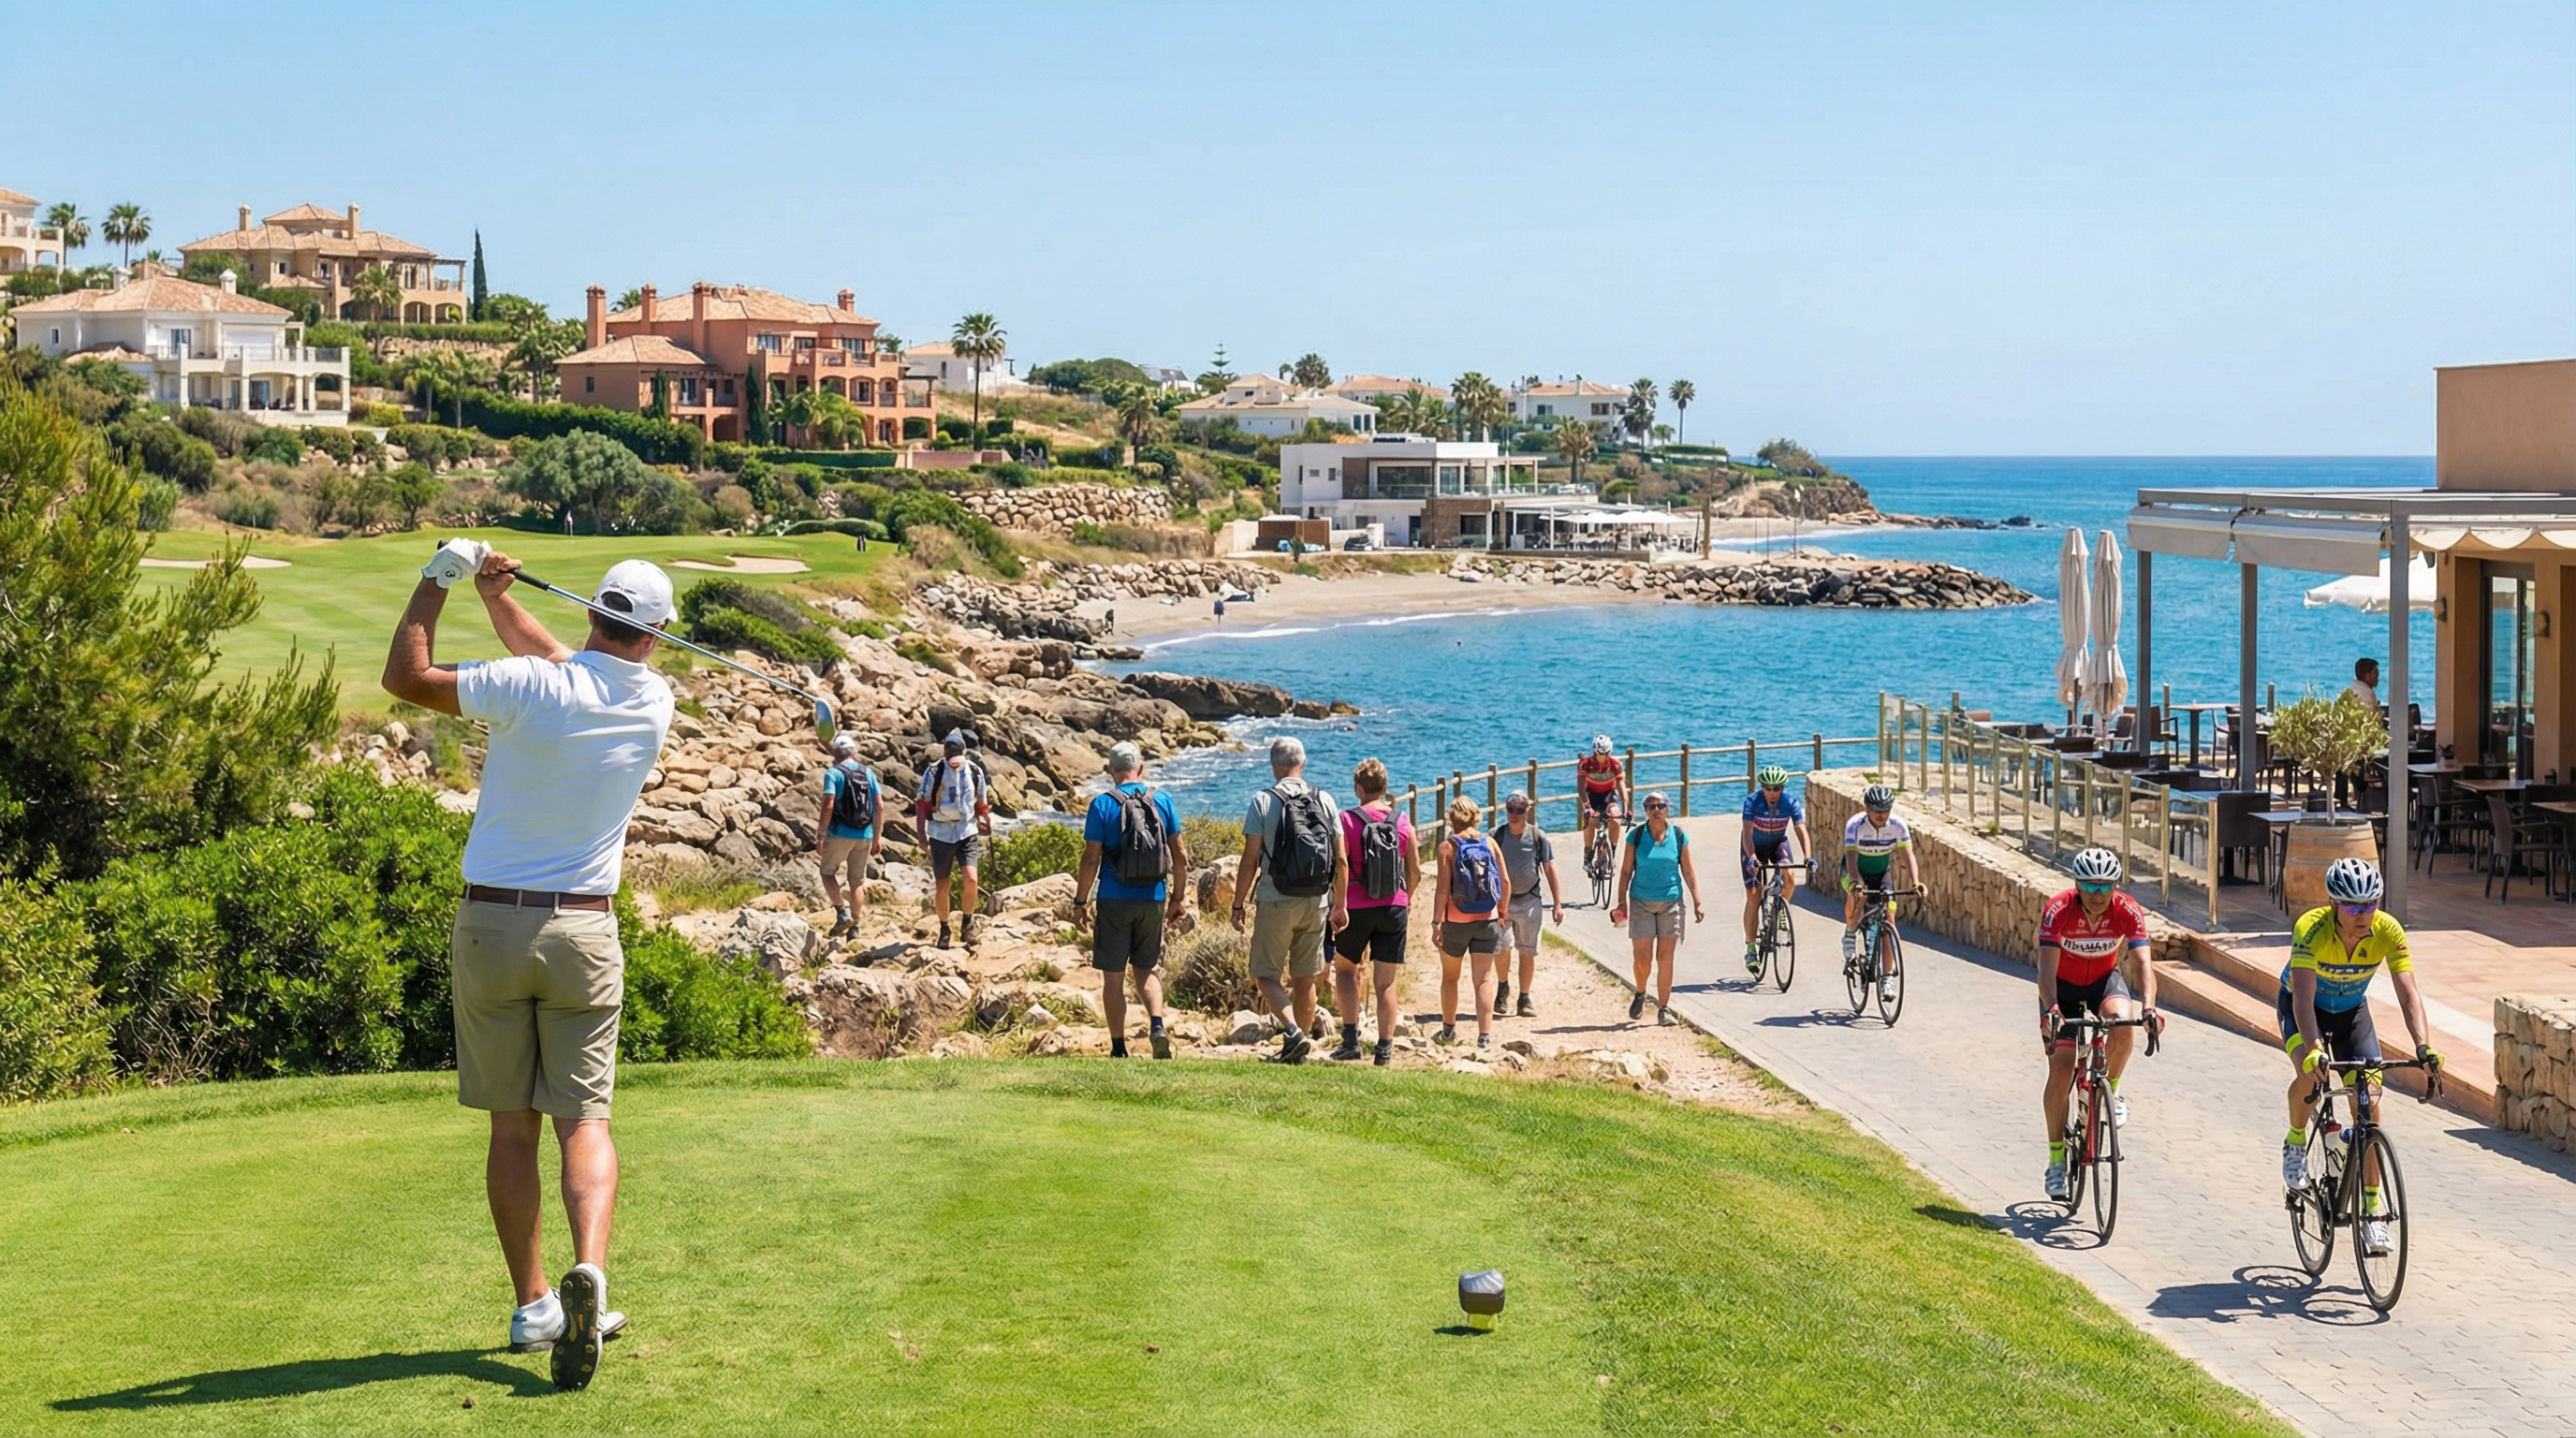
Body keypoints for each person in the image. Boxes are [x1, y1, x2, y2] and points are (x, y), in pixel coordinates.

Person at [382, 541, 666, 1391]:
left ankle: (535, 1302)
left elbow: (408, 677)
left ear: (592, 613)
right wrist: (498, 599)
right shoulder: (654, 699)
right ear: (654, 636)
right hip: (585, 935)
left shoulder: (531, 688)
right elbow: (566, 665)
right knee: (586, 1122)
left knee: (513, 1127)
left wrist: (442, 580)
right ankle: (593, 1275)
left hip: (492, 927)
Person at [2277, 858, 2440, 1256]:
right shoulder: (2310, 929)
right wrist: (2314, 1048)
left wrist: (2423, 1047)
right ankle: (2296, 1143)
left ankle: (2372, 1214)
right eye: (2353, 907)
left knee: (2369, 1107)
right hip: (2305, 1009)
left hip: (2352, 1014)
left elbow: (2408, 993)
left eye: (2371, 904)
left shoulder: (2388, 931)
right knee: (2311, 1074)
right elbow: (2300, 996)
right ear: (2334, 905)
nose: (2363, 914)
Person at [2035, 846, 2161, 1201]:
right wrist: (2052, 1009)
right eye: (2089, 886)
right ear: (2077, 885)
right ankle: (2057, 1160)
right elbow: (2045, 969)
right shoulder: (2058, 909)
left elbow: (2142, 964)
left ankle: (2113, 1089)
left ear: (2115, 887)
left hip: (2103, 981)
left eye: (2105, 887)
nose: (2097, 894)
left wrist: (2150, 1008)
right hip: (2061, 988)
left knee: (2124, 1023)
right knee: (2061, 1069)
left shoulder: (2127, 910)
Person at [1230, 736, 1343, 1064]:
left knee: (1266, 974)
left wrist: (1238, 905)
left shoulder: (1263, 801)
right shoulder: (1325, 799)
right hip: (1317, 900)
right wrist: (1341, 905)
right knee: (1305, 978)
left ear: (1274, 766)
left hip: (1276, 897)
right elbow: (1341, 859)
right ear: (1303, 764)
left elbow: (1249, 860)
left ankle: (1293, 1032)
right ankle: (1300, 1050)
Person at [1073, 742, 1189, 1060]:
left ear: (1111, 771)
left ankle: (1118, 1047)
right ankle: (1157, 1026)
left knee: (1113, 977)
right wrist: (1177, 899)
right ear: (1141, 768)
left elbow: (1090, 859)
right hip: (1153, 897)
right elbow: (1180, 855)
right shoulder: (1161, 799)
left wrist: (1080, 902)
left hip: (1114, 898)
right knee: (1147, 969)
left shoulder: (1102, 804)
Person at [1330, 758, 1419, 1065]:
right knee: (1386, 982)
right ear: (1385, 788)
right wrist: (1404, 900)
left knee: (1345, 971)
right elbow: (1415, 871)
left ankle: (1351, 1041)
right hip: (1393, 906)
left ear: (1358, 789)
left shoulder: (1346, 819)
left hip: (1355, 907)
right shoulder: (1402, 821)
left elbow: (1341, 865)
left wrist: (1339, 905)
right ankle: (1384, 1050)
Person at [1609, 791, 1702, 1026]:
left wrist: (1697, 901)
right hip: (1641, 901)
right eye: (1650, 806)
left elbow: (1688, 872)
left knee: (1665, 957)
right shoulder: (1636, 836)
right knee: (1642, 959)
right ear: (1645, 811)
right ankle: (1640, 992)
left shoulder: (1679, 836)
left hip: (1671, 902)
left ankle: (1664, 1008)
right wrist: (1621, 901)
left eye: (1660, 805)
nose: (1656, 810)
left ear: (1667, 808)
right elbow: (1625, 872)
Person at [1431, 798, 1507, 1050]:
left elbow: (1443, 890)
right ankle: (1484, 1037)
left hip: (1456, 922)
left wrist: (1436, 922)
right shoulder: (1490, 843)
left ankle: (1448, 1031)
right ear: (1476, 817)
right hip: (1488, 920)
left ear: (1452, 819)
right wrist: (1502, 912)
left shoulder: (1447, 847)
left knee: (1450, 979)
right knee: (1483, 980)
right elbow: (1505, 883)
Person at [1839, 784, 1919, 1001]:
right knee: (1858, 895)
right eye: (1877, 810)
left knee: (1889, 919)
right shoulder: (1855, 825)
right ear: (1867, 808)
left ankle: (1887, 978)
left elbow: (1908, 855)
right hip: (1854, 869)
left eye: (1886, 810)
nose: (1882, 815)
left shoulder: (1898, 826)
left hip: (1881, 873)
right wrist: (1856, 882)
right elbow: (1852, 860)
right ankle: (1849, 933)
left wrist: (1916, 882)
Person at [915, 728, 991, 948]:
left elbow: (981, 801)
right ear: (946, 755)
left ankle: (967, 924)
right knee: (943, 884)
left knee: (971, 879)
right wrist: (921, 836)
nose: (955, 764)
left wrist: (985, 819)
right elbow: (921, 803)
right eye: (952, 760)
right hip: (940, 833)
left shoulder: (974, 771)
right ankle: (945, 928)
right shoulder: (933, 771)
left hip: (967, 831)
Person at [1489, 791, 1564, 1018]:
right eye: (1510, 809)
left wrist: (1558, 904)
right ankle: (1503, 988)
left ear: (1528, 811)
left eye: (1520, 811)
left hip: (1530, 901)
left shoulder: (1538, 836)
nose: (1514, 815)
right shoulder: (1495, 836)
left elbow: (1550, 870)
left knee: (1527, 952)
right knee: (1502, 948)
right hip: (1501, 903)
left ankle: (1524, 997)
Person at [1739, 765, 1811, 976]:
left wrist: (1807, 857)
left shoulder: (1790, 802)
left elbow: (1801, 830)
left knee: (1789, 873)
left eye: (1777, 788)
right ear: (1762, 787)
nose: (1772, 792)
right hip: (1753, 845)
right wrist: (1751, 857)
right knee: (1754, 894)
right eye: (1768, 788)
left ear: (1782, 788)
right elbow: (1746, 833)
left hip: (1778, 842)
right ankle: (1751, 946)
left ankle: (1780, 907)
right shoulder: (1752, 802)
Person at [815, 733, 882, 939]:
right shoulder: (868, 772)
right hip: (865, 834)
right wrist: (877, 838)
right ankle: (855, 927)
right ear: (854, 752)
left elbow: (829, 803)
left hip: (839, 833)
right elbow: (879, 806)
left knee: (827, 873)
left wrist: (820, 835)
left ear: (835, 753)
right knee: (857, 881)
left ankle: (841, 913)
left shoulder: (833, 773)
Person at [1575, 735, 1624, 848]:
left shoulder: (1615, 764)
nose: (1602, 757)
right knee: (1590, 820)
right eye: (1600, 754)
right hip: (1591, 795)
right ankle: (1587, 853)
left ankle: (1612, 850)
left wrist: (1627, 808)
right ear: (1594, 751)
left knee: (1615, 817)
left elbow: (1621, 786)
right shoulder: (1585, 763)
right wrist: (1587, 806)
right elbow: (1581, 787)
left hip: (1609, 795)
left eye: (1605, 754)